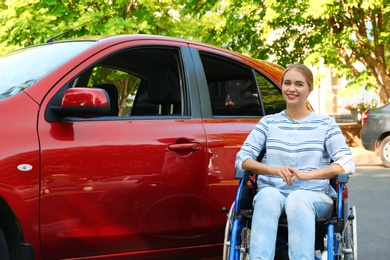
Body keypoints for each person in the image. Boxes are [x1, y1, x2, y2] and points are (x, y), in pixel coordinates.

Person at [235, 63, 355, 260]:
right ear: (281, 86)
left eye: (299, 84)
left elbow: (346, 163)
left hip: (314, 196)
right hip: (273, 193)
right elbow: (242, 159)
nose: (292, 89)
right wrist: (273, 170)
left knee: (297, 199)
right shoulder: (268, 123)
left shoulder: (325, 124)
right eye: (287, 83)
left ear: (309, 89)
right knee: (267, 197)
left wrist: (308, 175)